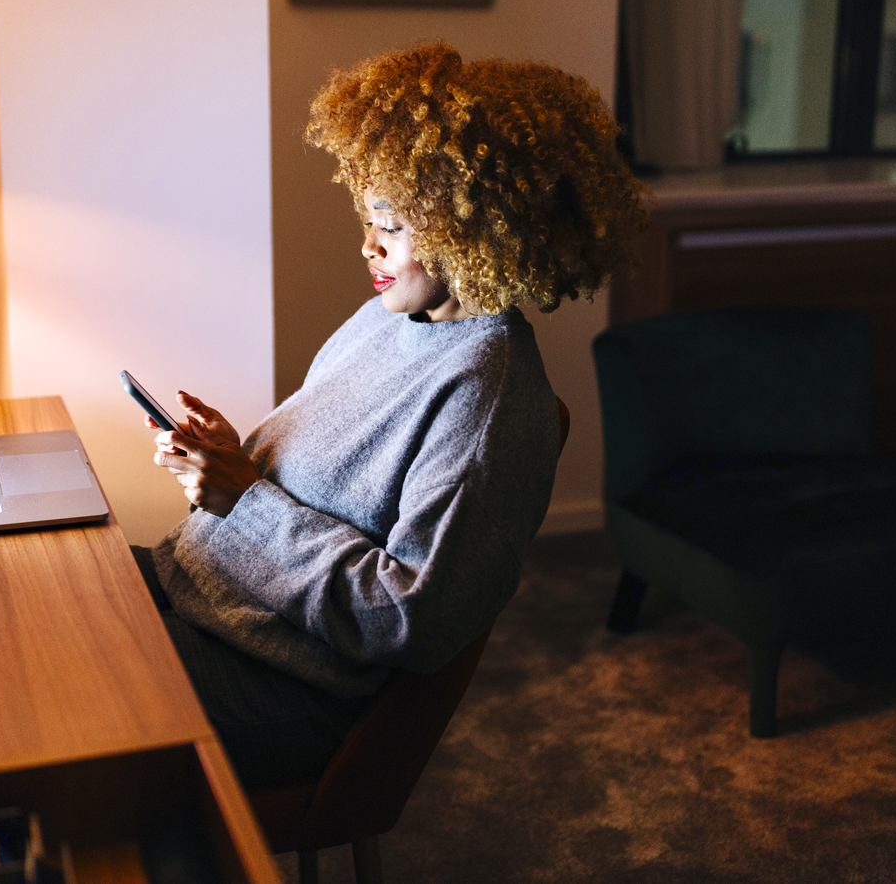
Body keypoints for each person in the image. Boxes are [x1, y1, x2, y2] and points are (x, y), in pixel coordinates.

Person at [132, 40, 648, 787]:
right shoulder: (392, 318)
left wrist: (242, 500)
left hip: (281, 680)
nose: (366, 243)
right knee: (25, 605)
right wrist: (229, 457)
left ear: (479, 226)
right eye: (366, 213)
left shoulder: (489, 399)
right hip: (198, 590)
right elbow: (317, 482)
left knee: (38, 711)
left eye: (392, 224)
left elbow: (404, 618)